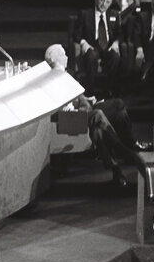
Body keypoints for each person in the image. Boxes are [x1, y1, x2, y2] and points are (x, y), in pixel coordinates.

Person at [46, 44, 147, 187]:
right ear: (55, 59)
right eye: (63, 54)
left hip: (84, 109)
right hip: (69, 118)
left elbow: (75, 96)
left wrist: (87, 99)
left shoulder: (65, 73)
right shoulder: (53, 80)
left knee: (114, 110)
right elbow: (61, 107)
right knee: (98, 118)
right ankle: (122, 152)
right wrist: (77, 107)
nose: (67, 56)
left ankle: (119, 164)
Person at [72, 0, 122, 96]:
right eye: (102, 0)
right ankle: (90, 90)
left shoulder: (115, 15)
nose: (104, 4)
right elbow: (76, 34)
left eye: (107, 2)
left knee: (115, 57)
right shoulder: (85, 14)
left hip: (108, 47)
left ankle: (109, 90)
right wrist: (83, 43)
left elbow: (120, 34)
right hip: (92, 46)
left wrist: (116, 43)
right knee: (91, 55)